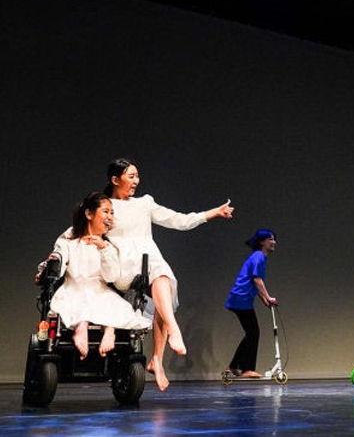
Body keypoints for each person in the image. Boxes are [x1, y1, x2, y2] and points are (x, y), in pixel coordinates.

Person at [102, 158, 234, 391]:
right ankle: (172, 332)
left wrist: (212, 213)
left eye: (137, 176)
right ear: (115, 179)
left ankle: (158, 359)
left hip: (149, 259)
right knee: (160, 281)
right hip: (121, 262)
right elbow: (86, 227)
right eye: (131, 176)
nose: (136, 181)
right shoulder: (105, 205)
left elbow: (178, 220)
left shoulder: (144, 203)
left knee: (163, 280)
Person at [41, 193, 150, 359]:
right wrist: (45, 271)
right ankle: (81, 328)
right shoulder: (69, 240)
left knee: (114, 306)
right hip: (74, 288)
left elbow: (111, 276)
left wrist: (103, 248)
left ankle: (109, 331)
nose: (110, 217)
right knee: (81, 304)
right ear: (89, 214)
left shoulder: (109, 245)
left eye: (112, 213)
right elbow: (58, 260)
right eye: (106, 211)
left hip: (100, 290)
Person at [225, 229, 278, 378]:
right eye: (270, 239)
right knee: (253, 333)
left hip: (243, 299)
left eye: (274, 239)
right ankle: (246, 369)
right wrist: (268, 297)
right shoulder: (258, 256)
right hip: (240, 298)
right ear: (262, 242)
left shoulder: (260, 257)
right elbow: (257, 281)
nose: (274, 242)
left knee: (251, 333)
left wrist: (265, 301)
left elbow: (256, 284)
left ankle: (234, 366)